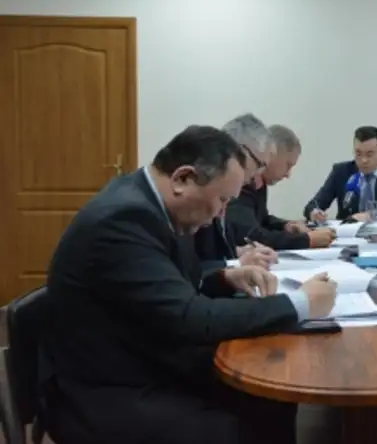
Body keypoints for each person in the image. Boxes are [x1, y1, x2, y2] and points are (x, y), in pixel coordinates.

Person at [39, 125, 338, 444]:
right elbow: (190, 317)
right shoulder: (124, 219)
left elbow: (169, 283)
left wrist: (224, 277)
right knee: (244, 420)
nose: (221, 214)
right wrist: (299, 303)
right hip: (107, 391)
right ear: (183, 178)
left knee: (271, 397)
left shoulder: (148, 203)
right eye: (221, 199)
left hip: (143, 355)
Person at [226, 120, 336, 249]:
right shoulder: (245, 182)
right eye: (288, 165)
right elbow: (250, 235)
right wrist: (307, 240)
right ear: (273, 154)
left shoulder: (258, 182)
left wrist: (285, 225)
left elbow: (262, 220)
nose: (288, 174)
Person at [194, 114, 280, 272]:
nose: (257, 176)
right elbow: (185, 269)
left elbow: (208, 252)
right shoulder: (202, 187)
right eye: (259, 165)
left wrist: (238, 252)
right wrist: (236, 264)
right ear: (240, 151)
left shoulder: (226, 191)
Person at [303, 126, 377, 222]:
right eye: (358, 154)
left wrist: (372, 215)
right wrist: (314, 213)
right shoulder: (341, 172)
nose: (363, 160)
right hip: (348, 235)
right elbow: (312, 205)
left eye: (369, 154)